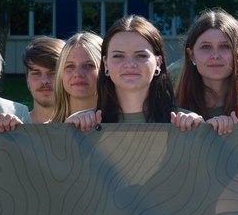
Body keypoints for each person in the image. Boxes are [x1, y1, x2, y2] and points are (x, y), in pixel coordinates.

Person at [65, 16, 209, 130]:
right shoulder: (80, 124)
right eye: (118, 56)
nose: (130, 64)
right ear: (105, 63)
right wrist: (70, 130)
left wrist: (196, 130)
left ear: (158, 62)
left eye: (141, 55)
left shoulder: (186, 123)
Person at [174, 9, 238, 123]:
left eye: (225, 47)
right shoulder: (171, 113)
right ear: (191, 55)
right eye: (206, 47)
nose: (215, 55)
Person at [51, 32, 103, 123]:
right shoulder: (44, 131)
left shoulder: (123, 127)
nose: (78, 73)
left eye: (89, 65)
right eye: (70, 66)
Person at [23, 37, 64, 122]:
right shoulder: (14, 129)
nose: (44, 81)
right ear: (27, 80)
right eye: (36, 73)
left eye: (53, 73)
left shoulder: (83, 127)